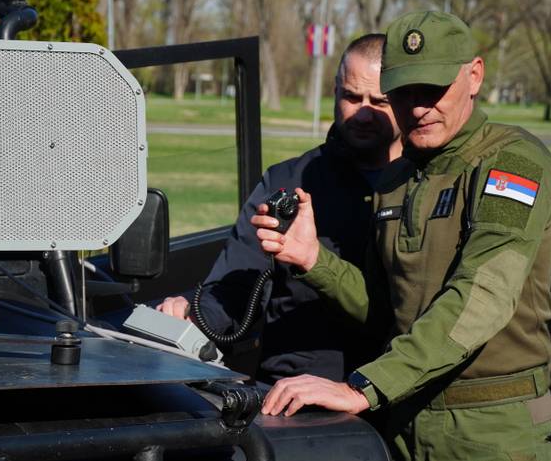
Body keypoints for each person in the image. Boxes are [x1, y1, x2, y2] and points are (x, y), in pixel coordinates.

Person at [255, 11, 551, 461]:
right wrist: (315, 260)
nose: (418, 108)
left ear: (474, 75)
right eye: (404, 93)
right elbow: (386, 312)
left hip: (491, 429)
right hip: (402, 424)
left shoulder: (511, 163)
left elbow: (483, 297)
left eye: (434, 90)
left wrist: (364, 387)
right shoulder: (395, 182)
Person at [157, 33, 402, 383]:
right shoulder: (287, 181)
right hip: (292, 387)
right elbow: (235, 285)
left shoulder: (424, 183)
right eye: (351, 97)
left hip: (388, 387)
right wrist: (191, 313)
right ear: (334, 92)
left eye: (379, 102)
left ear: (404, 101)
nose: (363, 112)